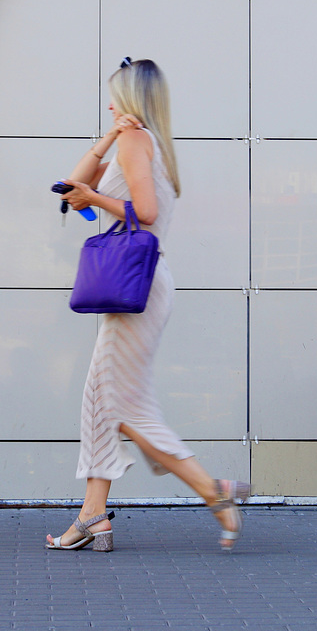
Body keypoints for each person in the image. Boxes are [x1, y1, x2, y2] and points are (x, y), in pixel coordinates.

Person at [46, 58, 249, 553]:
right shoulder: (136, 140)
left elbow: (147, 214)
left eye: (116, 95)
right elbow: (73, 181)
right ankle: (92, 517)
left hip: (137, 281)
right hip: (138, 280)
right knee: (99, 401)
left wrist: (95, 194)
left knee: (125, 406)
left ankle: (212, 491)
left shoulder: (140, 142)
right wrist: (107, 140)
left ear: (133, 98)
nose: (111, 103)